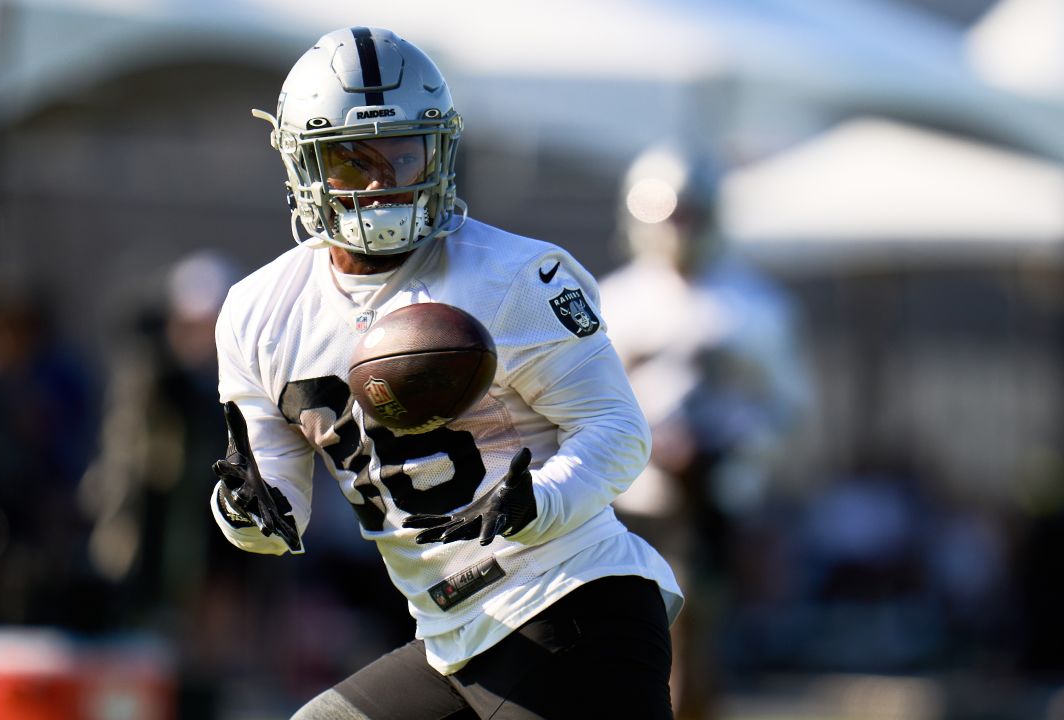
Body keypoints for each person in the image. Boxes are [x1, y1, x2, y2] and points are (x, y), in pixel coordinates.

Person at [207, 27, 682, 719]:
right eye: (351, 163)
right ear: (303, 168)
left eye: (403, 155)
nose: (381, 184)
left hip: (571, 601)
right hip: (451, 636)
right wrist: (245, 512)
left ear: (440, 149)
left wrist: (537, 502)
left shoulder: (514, 277)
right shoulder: (259, 311)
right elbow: (279, 499)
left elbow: (618, 430)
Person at [600, 144, 809, 719]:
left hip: (714, 497)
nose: (678, 229)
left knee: (694, 629)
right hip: (626, 495)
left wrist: (730, 448)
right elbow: (580, 402)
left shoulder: (754, 307)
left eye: (688, 214)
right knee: (630, 636)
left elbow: (788, 406)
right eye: (668, 214)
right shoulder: (612, 300)